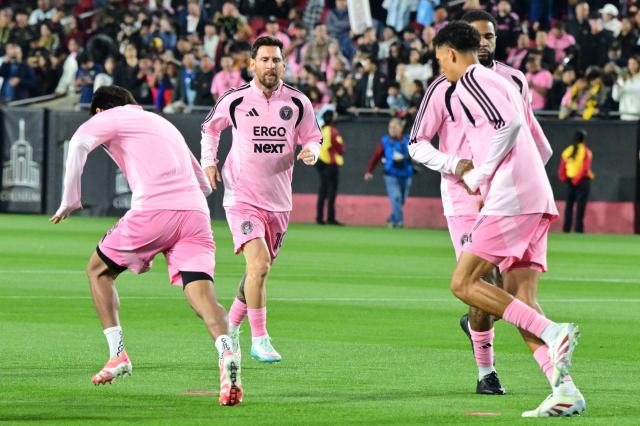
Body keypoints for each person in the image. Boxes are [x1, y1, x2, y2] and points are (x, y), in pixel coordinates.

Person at [50, 85, 242, 406]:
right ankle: (227, 354)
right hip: (196, 213)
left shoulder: (108, 115)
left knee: (98, 271)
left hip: (154, 209)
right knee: (202, 297)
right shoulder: (162, 122)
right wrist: (161, 241)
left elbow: (79, 143)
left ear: (100, 111)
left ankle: (118, 355)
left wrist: (70, 200)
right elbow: (204, 186)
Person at [432, 21, 585, 416]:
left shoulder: (468, 82)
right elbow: (542, 144)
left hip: (511, 197)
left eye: (439, 59)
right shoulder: (507, 81)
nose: (441, 68)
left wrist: (483, 176)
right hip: (534, 195)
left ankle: (555, 332)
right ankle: (564, 388)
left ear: (450, 53)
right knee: (522, 300)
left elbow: (510, 125)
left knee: (464, 282)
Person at [200, 36, 322, 363]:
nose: (271, 65)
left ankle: (231, 327)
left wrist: (311, 150)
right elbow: (210, 129)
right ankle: (260, 338)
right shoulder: (235, 99)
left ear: (284, 64)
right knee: (260, 264)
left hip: (279, 201)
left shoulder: (298, 102)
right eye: (265, 60)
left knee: (258, 273)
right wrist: (209, 163)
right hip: (241, 196)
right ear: (252, 64)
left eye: (276, 60)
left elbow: (314, 136)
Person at [364, 117, 413, 228]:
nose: (391, 129)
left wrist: (410, 158)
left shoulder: (408, 139)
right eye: (390, 127)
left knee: (401, 201)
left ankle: (391, 219)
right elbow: (376, 156)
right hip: (391, 175)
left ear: (401, 128)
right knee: (396, 197)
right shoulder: (385, 141)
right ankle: (399, 222)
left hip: (406, 175)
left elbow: (416, 154)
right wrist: (369, 171)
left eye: (394, 127)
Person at [558, 130, 594, 233]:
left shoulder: (567, 151)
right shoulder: (586, 151)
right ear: (584, 139)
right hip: (582, 182)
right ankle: (578, 230)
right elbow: (585, 169)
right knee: (580, 207)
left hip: (570, 182)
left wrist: (566, 179)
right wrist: (576, 180)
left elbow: (562, 168)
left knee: (568, 207)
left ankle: (566, 229)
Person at [316, 109, 345, 225]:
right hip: (330, 163)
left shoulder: (321, 130)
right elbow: (338, 147)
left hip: (320, 162)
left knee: (323, 190)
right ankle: (330, 217)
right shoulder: (332, 131)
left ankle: (319, 217)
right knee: (331, 191)